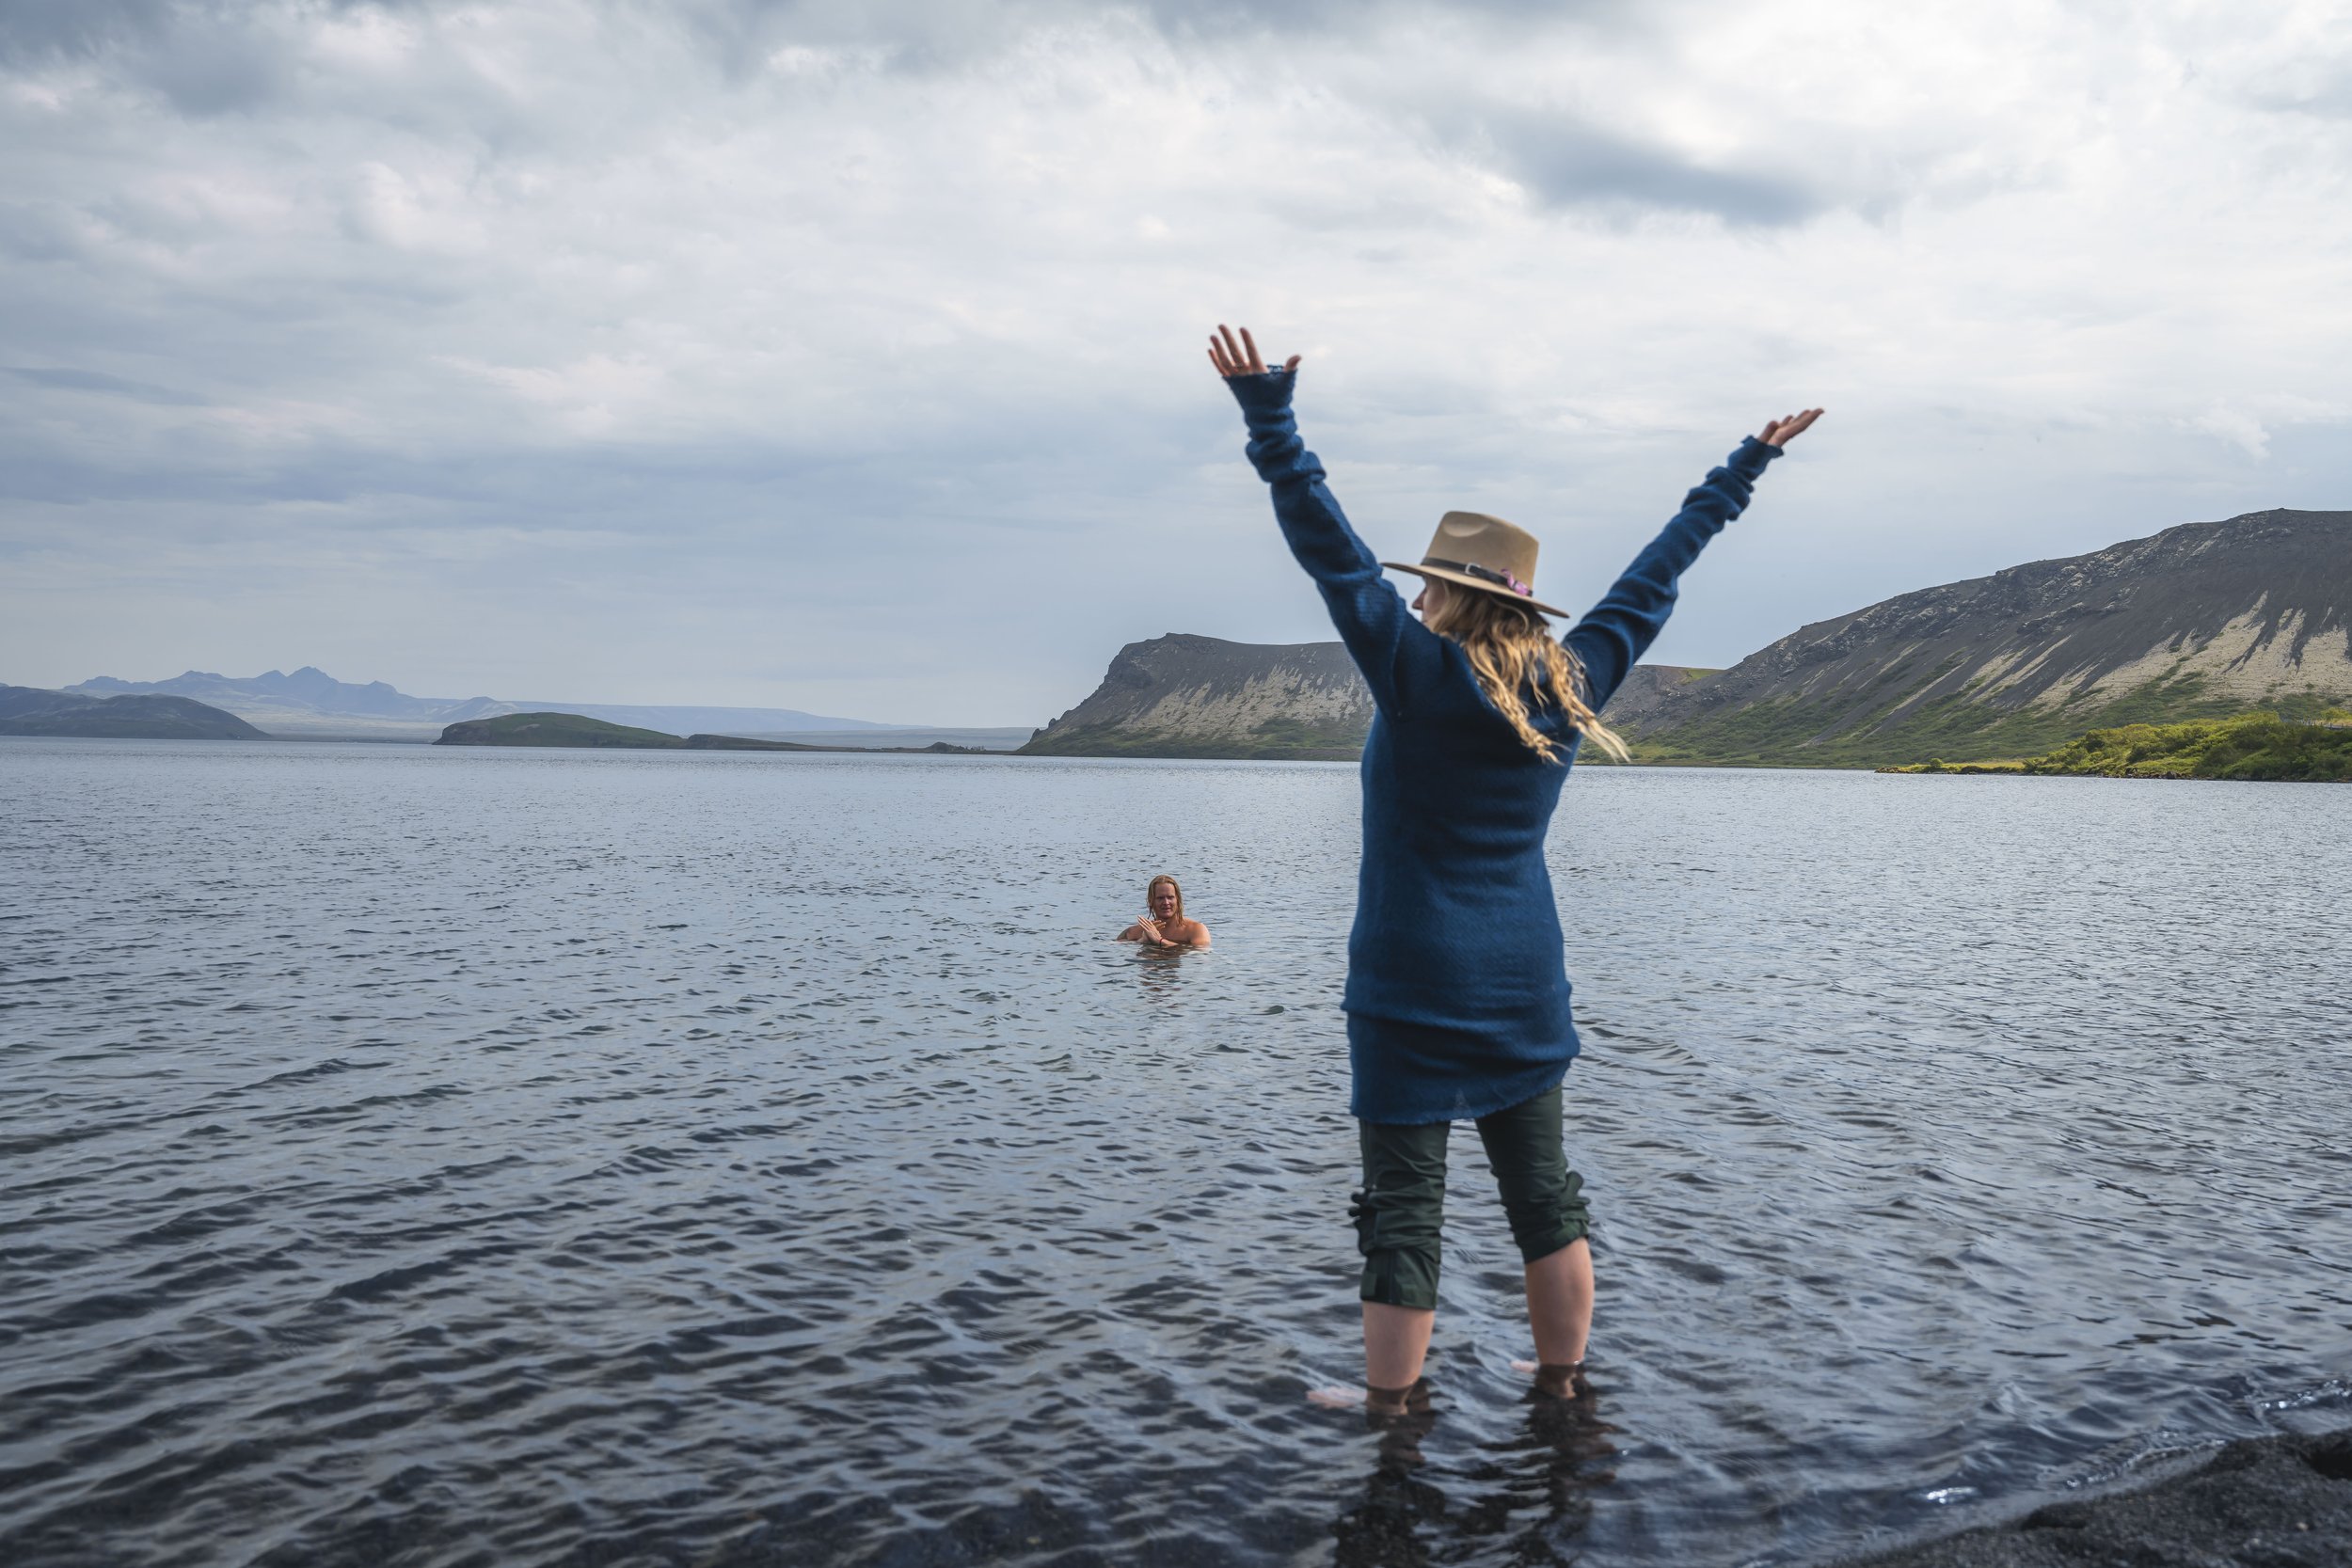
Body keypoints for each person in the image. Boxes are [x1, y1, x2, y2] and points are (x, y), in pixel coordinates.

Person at [1205, 323, 1820, 1415]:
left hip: (1405, 979)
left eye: (1427, 588)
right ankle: (1562, 1388)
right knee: (1545, 1195)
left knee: (1402, 1208)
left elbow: (1328, 549)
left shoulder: (1412, 666)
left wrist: (1270, 416)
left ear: (1440, 593)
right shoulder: (1576, 678)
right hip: (1523, 977)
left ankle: (1392, 1412)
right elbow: (1657, 571)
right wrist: (1744, 468)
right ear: (1524, 603)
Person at [1118, 873, 1212, 949]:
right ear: (1151, 901)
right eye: (1160, 898)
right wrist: (1142, 941)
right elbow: (1110, 946)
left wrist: (1159, 941)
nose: (1166, 902)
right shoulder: (1134, 932)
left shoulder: (1196, 930)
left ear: (1178, 900)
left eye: (1170, 897)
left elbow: (1200, 953)